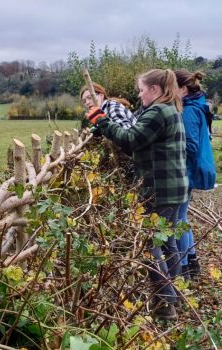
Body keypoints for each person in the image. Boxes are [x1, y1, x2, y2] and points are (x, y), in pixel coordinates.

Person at [86, 69, 189, 320]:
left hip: (160, 188)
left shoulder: (157, 111)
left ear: (155, 89)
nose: (139, 94)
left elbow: (130, 140)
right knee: (167, 242)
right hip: (173, 186)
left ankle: (166, 304)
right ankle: (172, 297)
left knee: (149, 244)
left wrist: (100, 119)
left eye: (142, 89)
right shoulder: (168, 109)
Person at [174, 69, 216, 279]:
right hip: (190, 169)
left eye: (172, 88)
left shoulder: (189, 110)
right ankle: (191, 261)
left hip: (187, 170)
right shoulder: (196, 104)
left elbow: (190, 145)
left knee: (178, 219)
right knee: (182, 217)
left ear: (183, 88)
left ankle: (182, 267)